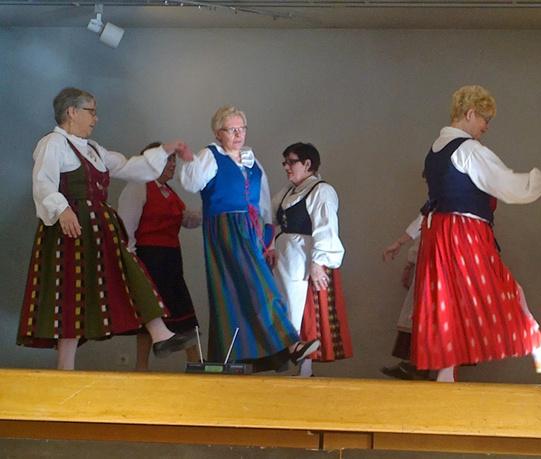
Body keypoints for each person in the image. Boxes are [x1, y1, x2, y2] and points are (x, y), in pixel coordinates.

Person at [18, 87, 195, 370]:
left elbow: (128, 167)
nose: (96, 118)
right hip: (72, 229)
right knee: (69, 291)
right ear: (71, 112)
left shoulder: (93, 149)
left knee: (129, 272)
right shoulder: (53, 144)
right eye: (91, 111)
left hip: (100, 228)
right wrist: (62, 209)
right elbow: (43, 182)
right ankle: (66, 366)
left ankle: (161, 333)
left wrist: (165, 150)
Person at [414, 84, 541, 383]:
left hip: (438, 231)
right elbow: (505, 184)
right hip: (463, 232)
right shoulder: (468, 150)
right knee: (504, 290)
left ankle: (445, 375)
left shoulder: (435, 149)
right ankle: (538, 350)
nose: (486, 127)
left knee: (448, 301)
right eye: (485, 119)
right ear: (470, 113)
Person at [181, 106, 318, 372]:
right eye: (231, 129)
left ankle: (237, 358)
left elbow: (263, 203)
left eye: (241, 129)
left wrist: (267, 239)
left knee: (237, 291)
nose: (238, 134)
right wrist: (189, 160)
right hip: (226, 229)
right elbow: (191, 182)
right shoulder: (211, 155)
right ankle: (291, 345)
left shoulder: (252, 162)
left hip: (251, 230)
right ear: (218, 133)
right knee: (258, 286)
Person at [269, 142, 352, 377]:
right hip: (287, 258)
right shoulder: (288, 192)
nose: (286, 167)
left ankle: (305, 367)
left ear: (307, 164)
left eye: (291, 162)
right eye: (285, 162)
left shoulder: (321, 191)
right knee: (287, 307)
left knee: (306, 309)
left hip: (304, 258)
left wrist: (318, 263)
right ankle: (294, 358)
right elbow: (269, 217)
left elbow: (326, 227)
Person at [118, 144, 203, 370]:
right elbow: (126, 228)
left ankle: (195, 364)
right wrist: (132, 263)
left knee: (182, 309)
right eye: (168, 160)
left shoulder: (168, 191)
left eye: (174, 160)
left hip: (171, 259)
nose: (173, 164)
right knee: (151, 311)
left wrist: (212, 209)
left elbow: (185, 219)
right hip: (149, 259)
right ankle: (141, 368)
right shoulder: (138, 186)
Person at [381, 215, 432, 380]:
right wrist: (411, 261)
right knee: (416, 312)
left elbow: (425, 222)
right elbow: (424, 226)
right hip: (429, 259)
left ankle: (424, 365)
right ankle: (414, 363)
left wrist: (402, 246)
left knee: (428, 314)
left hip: (442, 261)